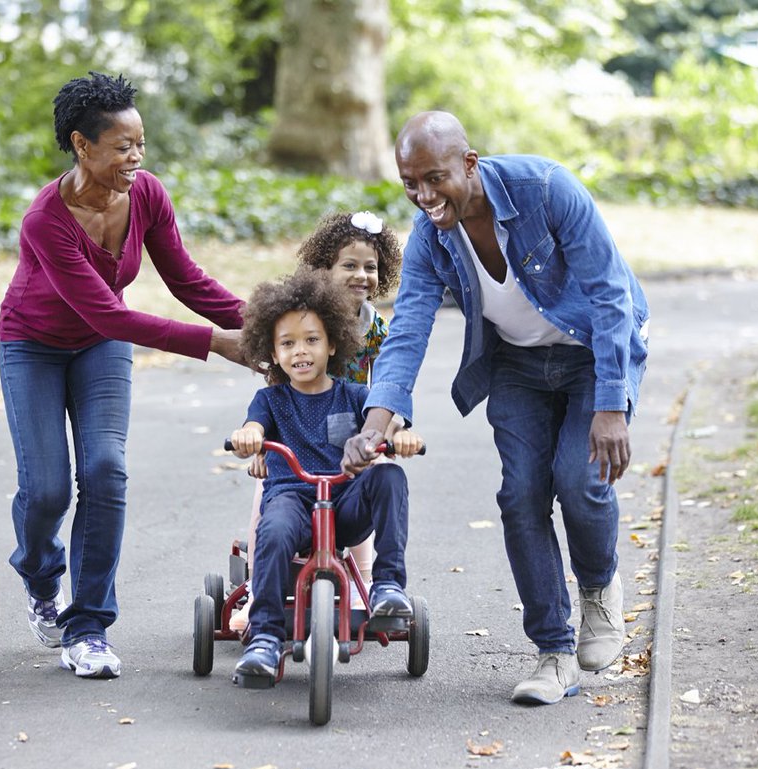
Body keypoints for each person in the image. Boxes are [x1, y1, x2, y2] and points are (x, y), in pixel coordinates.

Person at [342, 111, 650, 706]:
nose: (425, 196)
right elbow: (407, 330)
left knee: (580, 482)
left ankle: (598, 587)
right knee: (521, 494)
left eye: (435, 178)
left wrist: (613, 404)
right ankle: (554, 652)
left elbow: (611, 293)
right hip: (516, 366)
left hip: (592, 354)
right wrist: (374, 425)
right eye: (410, 182)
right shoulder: (432, 234)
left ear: (469, 163)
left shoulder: (546, 189)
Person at [0, 72, 248, 679]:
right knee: (49, 489)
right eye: (122, 146)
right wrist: (216, 344)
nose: (136, 157)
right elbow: (109, 309)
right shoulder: (45, 221)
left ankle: (87, 629)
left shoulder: (146, 195)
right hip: (32, 346)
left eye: (141, 144)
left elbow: (186, 279)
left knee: (106, 470)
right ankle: (39, 573)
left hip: (101, 348)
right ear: (83, 145)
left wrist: (269, 331)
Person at [227, 273, 424, 687]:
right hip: (293, 502)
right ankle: (263, 636)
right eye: (288, 343)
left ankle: (388, 587)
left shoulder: (353, 395)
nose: (300, 351)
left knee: (388, 475)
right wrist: (251, 435)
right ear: (273, 353)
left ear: (333, 343)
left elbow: (387, 427)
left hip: (346, 506)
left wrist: (400, 437)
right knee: (273, 528)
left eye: (312, 340)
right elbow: (254, 425)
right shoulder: (270, 399)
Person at [227, 210, 403, 633]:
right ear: (324, 269)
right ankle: (257, 589)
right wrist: (258, 439)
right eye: (349, 265)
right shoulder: (298, 317)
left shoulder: (376, 328)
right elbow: (273, 389)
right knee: (269, 506)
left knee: (377, 483)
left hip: (351, 427)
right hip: (292, 441)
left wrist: (390, 434)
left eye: (370, 267)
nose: (361, 275)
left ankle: (371, 591)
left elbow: (388, 385)